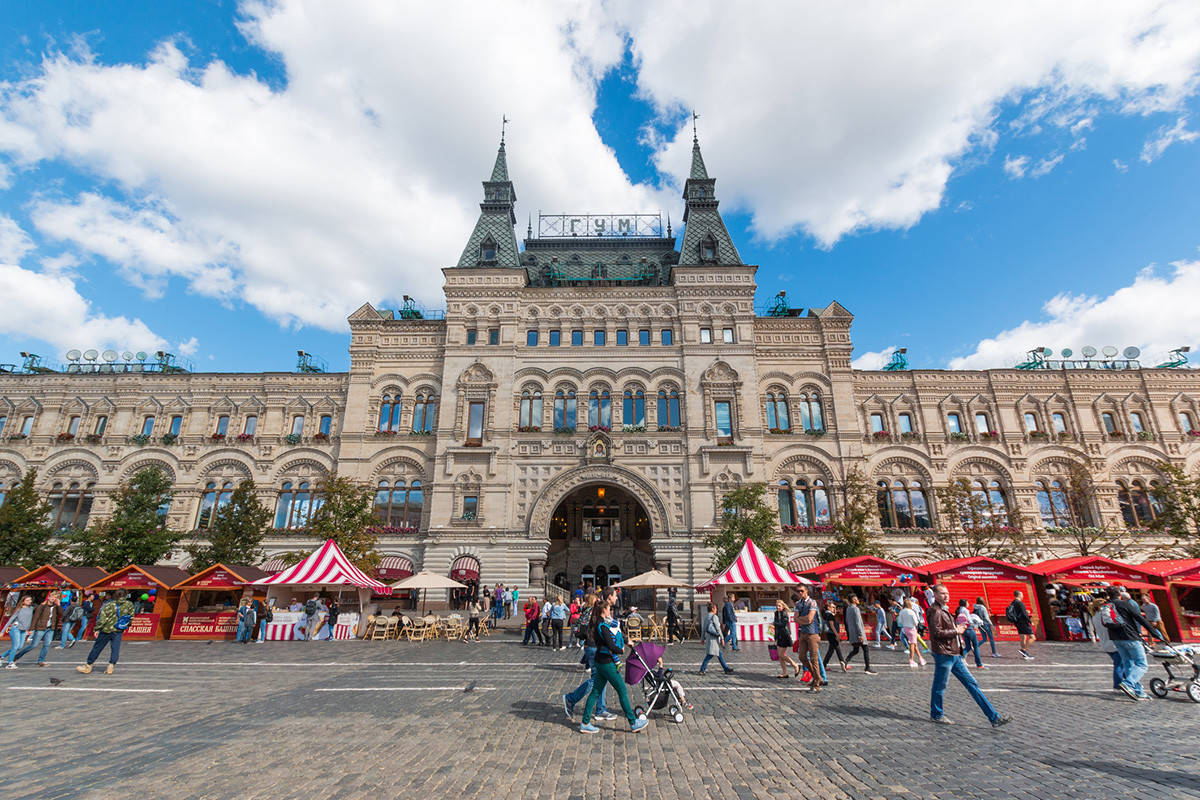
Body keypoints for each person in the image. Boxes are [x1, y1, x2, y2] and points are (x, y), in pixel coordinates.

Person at [928, 583, 1010, 727]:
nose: (946, 596)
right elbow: (936, 633)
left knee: (972, 684)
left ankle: (994, 717)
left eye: (947, 593)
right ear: (935, 595)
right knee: (940, 686)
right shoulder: (935, 610)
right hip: (944, 654)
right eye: (942, 593)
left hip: (955, 654)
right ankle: (936, 714)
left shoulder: (944, 609)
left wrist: (957, 630)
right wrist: (956, 630)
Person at [579, 593, 649, 734]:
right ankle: (633, 722)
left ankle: (585, 723)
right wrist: (620, 650)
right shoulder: (603, 626)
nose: (610, 611)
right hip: (607, 663)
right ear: (604, 610)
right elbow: (611, 645)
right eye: (609, 609)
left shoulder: (597, 623)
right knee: (622, 690)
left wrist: (623, 640)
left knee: (595, 692)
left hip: (599, 661)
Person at [1104, 586, 1167, 700]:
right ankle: (1128, 683)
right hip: (1130, 637)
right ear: (1120, 594)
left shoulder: (1106, 606)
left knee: (1128, 663)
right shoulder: (1125, 604)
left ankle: (1138, 691)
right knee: (1141, 664)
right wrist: (1154, 633)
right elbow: (1140, 619)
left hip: (1116, 638)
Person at [563, 591, 616, 724]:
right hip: (594, 646)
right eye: (615, 595)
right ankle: (571, 698)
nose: (616, 597)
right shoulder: (597, 611)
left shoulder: (587, 611)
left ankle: (600, 709)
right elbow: (608, 626)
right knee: (596, 679)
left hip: (590, 646)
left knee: (601, 678)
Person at [77, 589, 135, 675]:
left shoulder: (109, 604)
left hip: (106, 629)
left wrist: (97, 629)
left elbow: (102, 618)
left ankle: (88, 665)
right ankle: (111, 666)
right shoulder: (129, 604)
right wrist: (126, 626)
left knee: (98, 647)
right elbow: (131, 617)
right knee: (115, 648)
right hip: (119, 629)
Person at [1089, 596, 1123, 692]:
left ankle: (1128, 681)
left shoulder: (1094, 617)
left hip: (1105, 644)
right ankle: (1118, 686)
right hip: (1113, 643)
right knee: (1119, 665)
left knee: (1121, 664)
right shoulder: (1104, 616)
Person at [16, 592, 60, 666]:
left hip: (50, 628)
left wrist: (59, 605)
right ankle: (17, 656)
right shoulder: (42, 606)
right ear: (49, 597)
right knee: (34, 645)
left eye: (55, 597)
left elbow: (61, 614)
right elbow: (35, 617)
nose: (53, 599)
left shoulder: (55, 606)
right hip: (41, 627)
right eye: (52, 597)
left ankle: (41, 660)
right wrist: (31, 629)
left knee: (47, 645)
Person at [792, 585, 821, 691]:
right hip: (803, 633)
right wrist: (802, 619)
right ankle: (817, 676)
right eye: (798, 591)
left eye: (802, 591)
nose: (800, 593)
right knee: (802, 657)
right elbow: (795, 619)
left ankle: (816, 684)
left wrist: (800, 618)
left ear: (806, 591)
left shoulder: (812, 602)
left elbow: (810, 618)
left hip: (812, 633)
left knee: (814, 659)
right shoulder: (798, 603)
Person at [843, 594, 877, 675]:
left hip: (852, 632)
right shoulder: (856, 609)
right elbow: (858, 622)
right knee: (865, 649)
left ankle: (845, 661)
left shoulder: (848, 608)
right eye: (856, 598)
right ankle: (867, 668)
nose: (858, 600)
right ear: (853, 600)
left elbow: (847, 620)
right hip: (858, 632)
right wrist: (860, 634)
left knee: (856, 649)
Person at [700, 602, 733, 675]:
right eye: (715, 608)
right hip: (713, 638)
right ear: (712, 609)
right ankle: (702, 669)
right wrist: (722, 638)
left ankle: (725, 668)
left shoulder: (706, 617)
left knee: (719, 653)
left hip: (709, 637)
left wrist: (702, 638)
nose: (716, 610)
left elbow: (704, 628)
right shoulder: (714, 617)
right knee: (710, 654)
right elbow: (718, 628)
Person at [1, 595, 33, 668]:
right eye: (27, 600)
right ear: (23, 602)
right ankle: (10, 663)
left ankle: (2, 656)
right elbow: (10, 620)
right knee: (15, 646)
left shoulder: (31, 608)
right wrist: (2, 631)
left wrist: (29, 629)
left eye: (30, 600)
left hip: (23, 630)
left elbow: (29, 619)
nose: (29, 601)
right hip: (16, 628)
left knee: (19, 647)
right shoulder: (19, 609)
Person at [773, 599, 800, 678]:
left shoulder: (784, 613)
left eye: (779, 606)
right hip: (779, 635)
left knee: (781, 654)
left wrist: (775, 623)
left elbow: (783, 624)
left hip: (784, 635)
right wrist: (775, 635)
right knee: (780, 656)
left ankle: (795, 665)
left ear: (783, 606)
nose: (778, 607)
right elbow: (777, 626)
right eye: (777, 605)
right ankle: (785, 672)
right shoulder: (776, 613)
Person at [821, 599, 849, 672]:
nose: (834, 609)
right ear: (828, 608)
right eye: (833, 607)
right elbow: (832, 626)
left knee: (833, 648)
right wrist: (837, 634)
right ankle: (842, 662)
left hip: (829, 633)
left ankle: (825, 664)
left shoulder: (826, 614)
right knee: (835, 648)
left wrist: (834, 612)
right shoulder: (830, 615)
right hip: (832, 633)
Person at [956, 599, 985, 669]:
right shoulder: (965, 610)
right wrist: (975, 623)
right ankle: (979, 664)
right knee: (975, 646)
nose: (968, 604)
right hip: (969, 629)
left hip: (963, 629)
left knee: (968, 646)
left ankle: (959, 658)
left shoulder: (959, 610)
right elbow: (969, 620)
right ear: (965, 604)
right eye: (967, 603)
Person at [1008, 590, 1035, 660]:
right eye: (1022, 595)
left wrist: (1025, 612)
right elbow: (1024, 614)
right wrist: (1030, 621)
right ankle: (1024, 650)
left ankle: (1024, 655)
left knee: (1023, 637)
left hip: (1017, 622)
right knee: (1032, 637)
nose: (1023, 596)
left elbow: (1019, 612)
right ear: (1019, 595)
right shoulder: (1020, 603)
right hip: (1023, 622)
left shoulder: (1013, 603)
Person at [899, 597, 926, 668]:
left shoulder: (901, 612)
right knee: (912, 644)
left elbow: (900, 621)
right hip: (912, 628)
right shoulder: (911, 612)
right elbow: (915, 622)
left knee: (914, 644)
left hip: (905, 628)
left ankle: (920, 658)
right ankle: (911, 659)